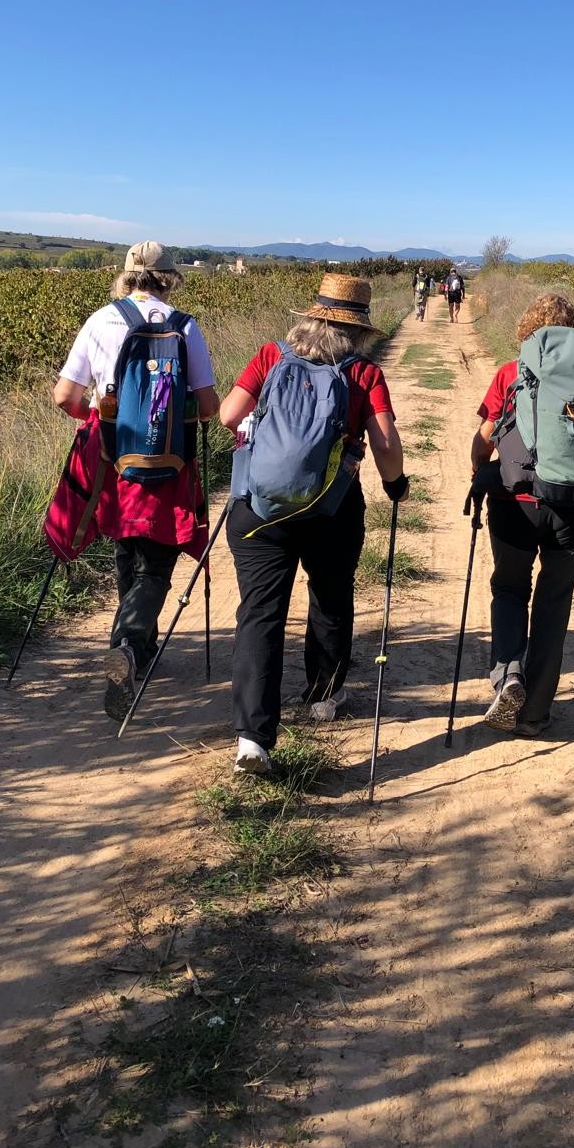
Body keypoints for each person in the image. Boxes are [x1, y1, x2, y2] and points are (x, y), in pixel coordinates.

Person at [218, 274, 409, 774]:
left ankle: (252, 739)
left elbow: (228, 414)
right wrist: (396, 485)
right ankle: (323, 696)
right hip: (331, 507)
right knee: (330, 595)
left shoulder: (271, 356)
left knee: (260, 613)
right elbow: (385, 444)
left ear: (310, 317)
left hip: (260, 508)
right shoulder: (363, 373)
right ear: (360, 329)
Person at [53, 241, 220, 719]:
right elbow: (209, 406)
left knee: (126, 545)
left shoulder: (100, 320)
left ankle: (136, 650)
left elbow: (65, 396)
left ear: (126, 276)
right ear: (170, 278)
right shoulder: (184, 325)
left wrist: (101, 419)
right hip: (169, 460)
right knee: (156, 563)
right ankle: (128, 645)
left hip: (112, 457)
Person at [469, 292, 574, 735]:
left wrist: (480, 471)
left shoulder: (510, 373)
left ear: (528, 331)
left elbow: (484, 440)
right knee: (553, 605)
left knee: (510, 588)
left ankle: (509, 675)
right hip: (573, 510)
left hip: (515, 506)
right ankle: (535, 714)